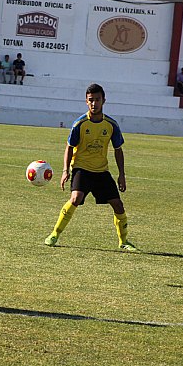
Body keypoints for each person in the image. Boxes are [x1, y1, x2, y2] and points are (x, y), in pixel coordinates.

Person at [44, 83, 138, 252]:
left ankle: (124, 241)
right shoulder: (79, 124)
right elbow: (69, 147)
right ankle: (54, 234)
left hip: (101, 171)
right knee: (75, 198)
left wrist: (122, 174)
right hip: (82, 169)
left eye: (97, 100)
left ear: (104, 101)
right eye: (91, 100)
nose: (94, 103)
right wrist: (66, 170)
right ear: (86, 102)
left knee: (118, 205)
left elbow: (118, 150)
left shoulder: (111, 125)